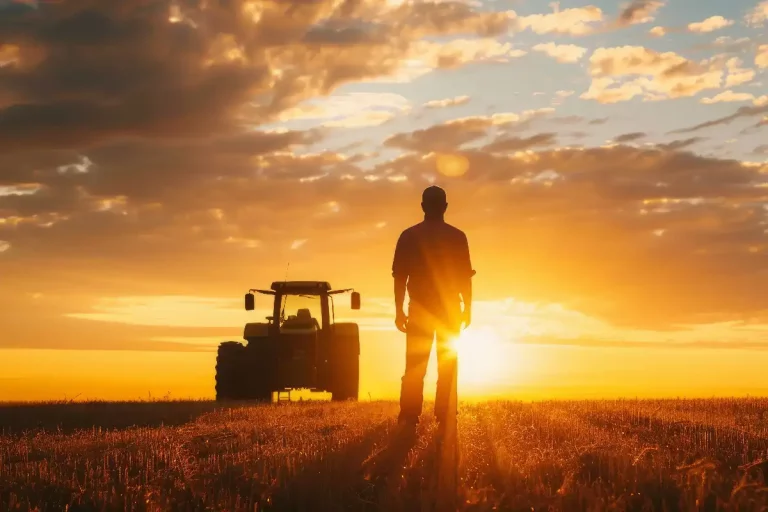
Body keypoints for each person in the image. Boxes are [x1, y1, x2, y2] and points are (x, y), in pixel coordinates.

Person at [391, 185, 475, 428]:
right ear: (445, 207)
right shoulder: (458, 237)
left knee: (415, 364)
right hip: (449, 310)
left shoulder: (408, 236)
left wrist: (399, 310)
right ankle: (446, 414)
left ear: (422, 206)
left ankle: (409, 415)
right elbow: (464, 278)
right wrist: (467, 308)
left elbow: (399, 277)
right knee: (448, 365)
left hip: (419, 309)